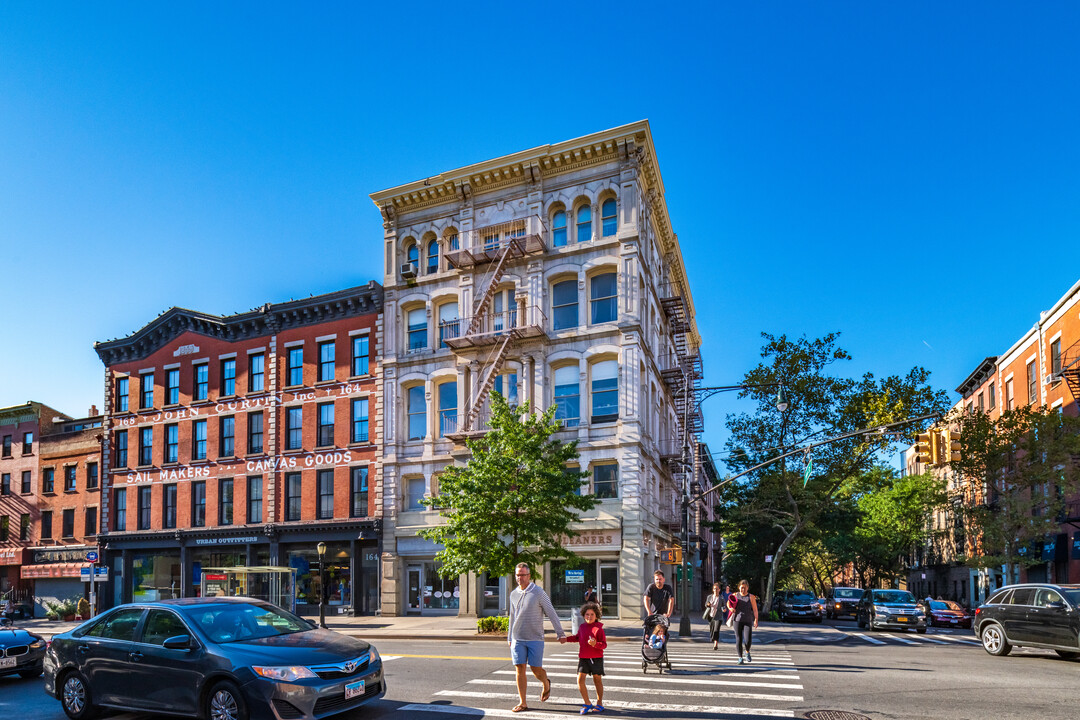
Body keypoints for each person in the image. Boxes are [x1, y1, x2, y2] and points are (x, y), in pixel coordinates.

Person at [508, 563, 567, 713]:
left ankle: (546, 683)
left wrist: (560, 632)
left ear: (529, 576)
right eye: (517, 575)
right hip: (517, 638)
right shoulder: (513, 594)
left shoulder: (538, 592)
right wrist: (509, 636)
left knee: (536, 669)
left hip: (535, 638)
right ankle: (523, 702)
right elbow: (512, 616)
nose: (519, 578)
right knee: (519, 668)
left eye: (522, 575)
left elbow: (551, 612)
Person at [575, 600, 607, 714]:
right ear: (583, 615)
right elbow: (577, 637)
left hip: (596, 658)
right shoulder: (582, 627)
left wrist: (595, 644)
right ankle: (587, 703)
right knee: (580, 680)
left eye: (592, 614)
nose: (589, 616)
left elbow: (604, 645)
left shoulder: (598, 628)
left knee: (597, 680)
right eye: (587, 614)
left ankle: (599, 703)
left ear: (596, 616)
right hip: (583, 658)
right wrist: (565, 639)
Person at [728, 579, 759, 664]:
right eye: (741, 588)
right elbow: (728, 603)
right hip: (737, 620)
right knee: (738, 639)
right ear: (739, 587)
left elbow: (755, 609)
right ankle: (740, 658)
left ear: (747, 588)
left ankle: (747, 652)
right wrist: (730, 608)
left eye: (745, 588)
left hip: (747, 621)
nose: (743, 590)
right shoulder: (735, 595)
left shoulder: (751, 597)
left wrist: (756, 619)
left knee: (748, 640)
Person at [705, 582, 724, 650]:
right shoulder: (709, 597)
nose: (715, 590)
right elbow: (706, 605)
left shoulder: (721, 598)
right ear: (713, 590)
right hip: (711, 615)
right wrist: (708, 605)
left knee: (716, 629)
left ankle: (715, 644)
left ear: (719, 590)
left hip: (718, 616)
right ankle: (713, 638)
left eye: (717, 589)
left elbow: (723, 605)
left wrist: (724, 609)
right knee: (712, 629)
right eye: (714, 589)